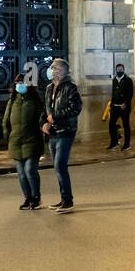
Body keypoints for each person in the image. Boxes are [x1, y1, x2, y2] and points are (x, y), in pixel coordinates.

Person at [42, 58, 82, 212]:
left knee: (60, 165)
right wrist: (43, 123)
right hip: (53, 132)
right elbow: (45, 110)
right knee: (57, 167)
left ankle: (68, 201)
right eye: (51, 67)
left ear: (61, 71)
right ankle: (63, 199)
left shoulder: (70, 88)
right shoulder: (48, 88)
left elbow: (75, 108)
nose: (51, 69)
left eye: (54, 67)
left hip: (66, 131)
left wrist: (56, 116)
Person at [3, 74, 44, 209]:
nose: (20, 85)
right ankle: (28, 198)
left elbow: (41, 118)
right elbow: (6, 121)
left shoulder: (34, 100)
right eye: (18, 83)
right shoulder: (12, 101)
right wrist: (8, 136)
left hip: (32, 141)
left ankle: (36, 198)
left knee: (30, 170)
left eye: (23, 82)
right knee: (21, 174)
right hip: (16, 142)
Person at [108, 63, 134, 152]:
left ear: (123, 70)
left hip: (124, 107)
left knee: (126, 125)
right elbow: (113, 92)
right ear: (116, 70)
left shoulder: (128, 80)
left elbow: (130, 94)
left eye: (121, 69)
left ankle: (127, 144)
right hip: (115, 106)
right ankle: (114, 143)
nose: (119, 71)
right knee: (111, 124)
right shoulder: (114, 80)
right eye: (118, 69)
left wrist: (125, 103)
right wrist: (111, 104)